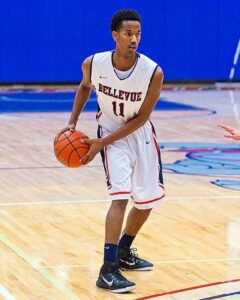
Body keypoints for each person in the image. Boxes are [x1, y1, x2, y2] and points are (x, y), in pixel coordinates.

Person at [56, 9, 165, 293]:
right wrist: (71, 124)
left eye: (138, 34)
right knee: (119, 198)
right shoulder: (94, 63)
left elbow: (141, 119)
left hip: (139, 135)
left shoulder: (153, 72)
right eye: (128, 33)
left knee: (147, 200)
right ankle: (107, 269)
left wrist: (99, 145)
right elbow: (84, 87)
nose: (134, 39)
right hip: (110, 135)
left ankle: (123, 252)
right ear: (115, 35)